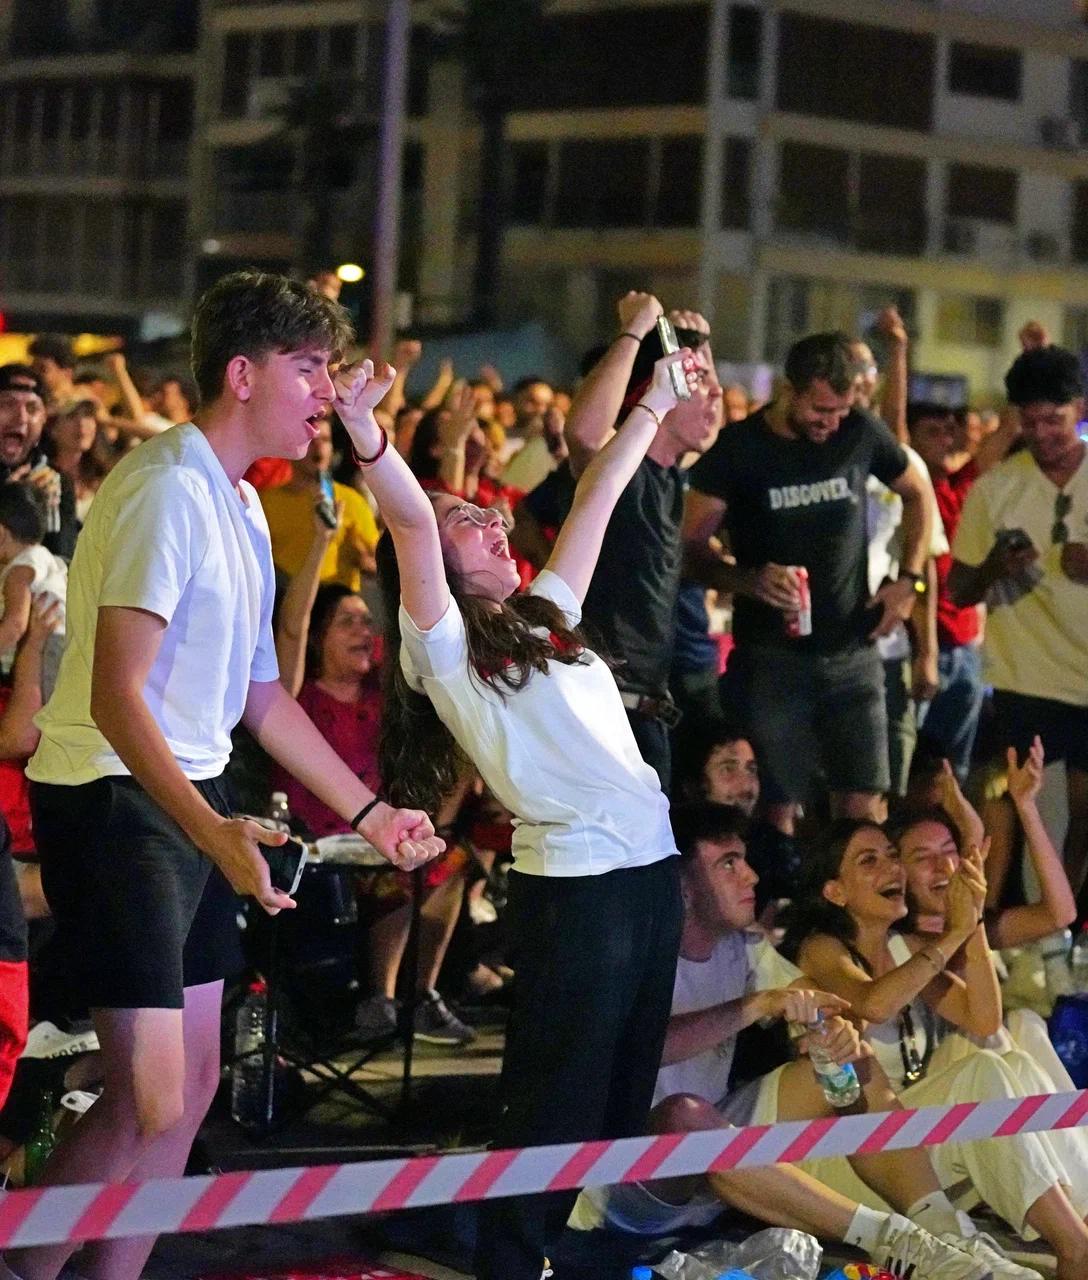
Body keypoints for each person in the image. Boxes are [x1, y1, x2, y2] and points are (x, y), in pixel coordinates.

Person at [5, 271, 443, 1280]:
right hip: (114, 798)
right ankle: (25, 1265)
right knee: (150, 1094)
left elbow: (262, 697)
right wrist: (213, 831)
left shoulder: (242, 503)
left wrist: (371, 812)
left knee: (194, 1086)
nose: (325, 391)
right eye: (308, 368)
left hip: (192, 800)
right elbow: (118, 696)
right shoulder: (166, 487)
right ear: (242, 375)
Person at [334, 343, 698, 1280]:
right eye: (467, 521)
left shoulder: (545, 617)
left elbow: (597, 496)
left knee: (614, 1104)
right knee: (554, 1105)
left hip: (648, 874)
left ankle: (544, 1250)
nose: (491, 519)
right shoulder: (443, 649)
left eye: (484, 513)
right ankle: (507, 1258)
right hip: (578, 889)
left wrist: (656, 405)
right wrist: (368, 433)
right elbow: (410, 522)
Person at [570, 802, 1026, 1280]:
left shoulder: (745, 947)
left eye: (745, 860)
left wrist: (831, 1034)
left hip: (719, 1156)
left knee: (850, 1065)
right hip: (629, 1180)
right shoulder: (635, 954)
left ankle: (946, 1236)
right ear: (683, 887)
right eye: (728, 864)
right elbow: (642, 1050)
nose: (751, 876)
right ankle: (889, 1239)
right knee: (685, 1116)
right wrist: (756, 1005)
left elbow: (813, 1001)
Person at [784, 821, 1088, 1280]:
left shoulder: (903, 946)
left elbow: (983, 1019)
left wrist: (974, 921)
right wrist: (953, 934)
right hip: (859, 1160)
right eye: (870, 861)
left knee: (1014, 1047)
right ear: (835, 892)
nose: (892, 868)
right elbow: (874, 1003)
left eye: (891, 855)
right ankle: (1075, 1244)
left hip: (916, 1142)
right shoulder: (822, 949)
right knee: (983, 1070)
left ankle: (1079, 1223)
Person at [683, 332, 930, 831]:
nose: (830, 423)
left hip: (853, 653)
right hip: (772, 660)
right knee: (775, 811)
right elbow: (688, 551)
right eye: (820, 410)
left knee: (863, 812)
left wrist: (909, 581)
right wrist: (747, 580)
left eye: (840, 411)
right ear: (788, 390)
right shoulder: (740, 449)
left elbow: (918, 493)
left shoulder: (859, 432)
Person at [274, 514, 474, 1047]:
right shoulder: (292, 697)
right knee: (404, 872)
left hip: (377, 841)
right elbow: (291, 628)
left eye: (368, 621)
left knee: (447, 858)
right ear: (319, 637)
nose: (365, 632)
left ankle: (419, 997)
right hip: (315, 850)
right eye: (348, 622)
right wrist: (322, 541)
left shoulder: (382, 694)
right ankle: (380, 1001)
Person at [562, 291, 722, 787]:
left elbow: (713, 416)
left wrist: (701, 342)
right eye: (701, 382)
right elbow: (584, 435)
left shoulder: (672, 476)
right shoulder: (622, 472)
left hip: (648, 707)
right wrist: (634, 330)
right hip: (605, 707)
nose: (717, 395)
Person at [949, 344, 1088, 903]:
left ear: (1080, 408)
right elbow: (959, 589)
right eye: (1030, 422)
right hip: (1025, 677)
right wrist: (993, 568)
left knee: (1084, 812)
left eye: (1055, 420)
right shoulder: (996, 488)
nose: (1042, 434)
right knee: (1021, 806)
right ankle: (1011, 923)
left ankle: (1066, 925)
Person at [907, 403, 985, 782]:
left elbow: (997, 445)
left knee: (955, 771)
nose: (945, 440)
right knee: (910, 765)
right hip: (919, 645)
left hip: (965, 648)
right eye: (932, 432)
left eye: (948, 431)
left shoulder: (959, 487)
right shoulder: (907, 496)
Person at [260, 415, 379, 591]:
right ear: (291, 446)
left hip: (334, 601)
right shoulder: (265, 502)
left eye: (325, 440)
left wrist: (364, 561)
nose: (319, 446)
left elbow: (377, 565)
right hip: (283, 597)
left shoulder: (352, 501)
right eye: (311, 440)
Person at [0, 366, 78, 561]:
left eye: (32, 408)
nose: (21, 418)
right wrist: (11, 499)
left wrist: (39, 510)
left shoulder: (54, 481)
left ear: (44, 419)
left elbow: (63, 561)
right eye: (7, 405)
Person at [0, 485, 67, 698]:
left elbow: (14, 626)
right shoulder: (43, 556)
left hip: (49, 649)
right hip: (67, 645)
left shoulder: (19, 570)